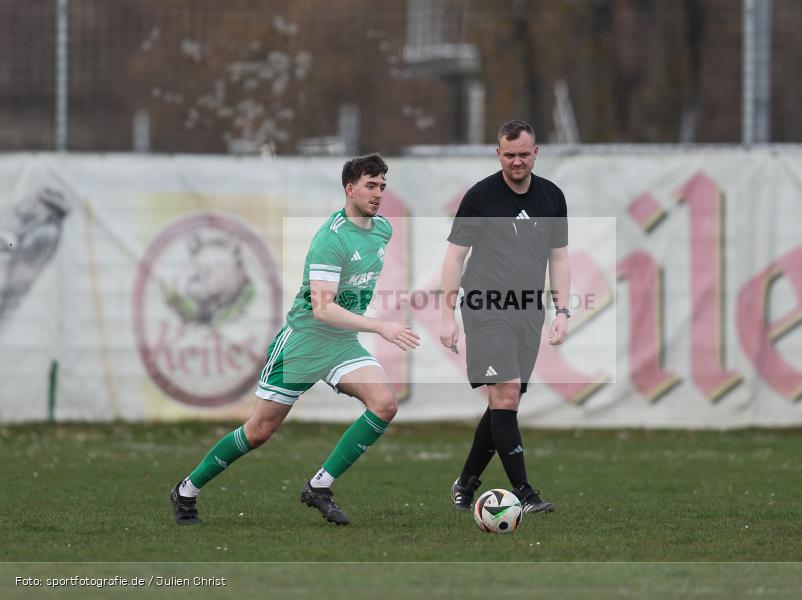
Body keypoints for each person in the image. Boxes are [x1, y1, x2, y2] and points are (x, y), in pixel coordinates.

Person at [170, 153, 420, 526]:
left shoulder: (383, 229)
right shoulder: (330, 240)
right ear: (349, 189)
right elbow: (322, 309)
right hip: (303, 342)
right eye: (370, 185)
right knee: (258, 432)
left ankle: (319, 486)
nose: (378, 192)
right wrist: (380, 326)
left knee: (384, 404)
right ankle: (186, 490)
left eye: (382, 185)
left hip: (340, 344)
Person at [439, 120, 571, 513]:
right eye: (509, 155)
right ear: (498, 154)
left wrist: (562, 309)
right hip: (486, 306)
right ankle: (525, 492)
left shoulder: (552, 197)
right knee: (507, 391)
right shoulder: (480, 196)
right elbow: (454, 256)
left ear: (536, 152)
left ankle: (465, 482)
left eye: (523, 154)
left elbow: (559, 257)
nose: (517, 161)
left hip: (529, 310)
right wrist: (446, 315)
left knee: (504, 401)